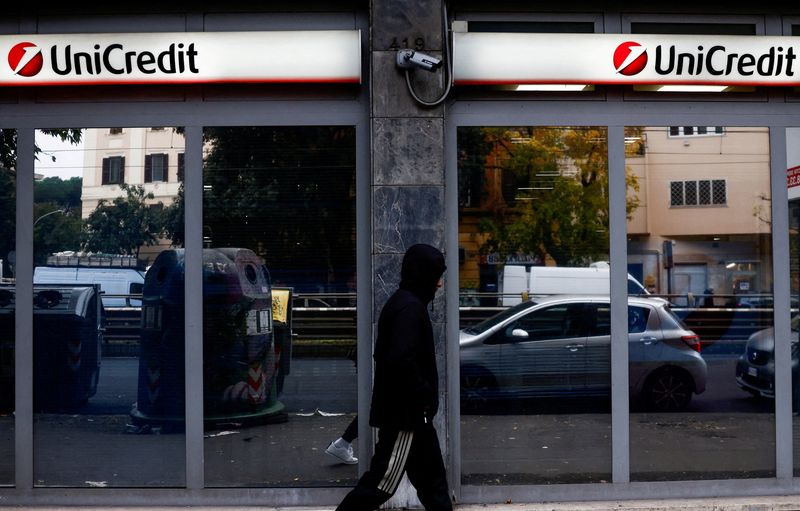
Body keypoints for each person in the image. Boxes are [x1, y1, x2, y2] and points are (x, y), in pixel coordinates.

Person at [336, 244, 452, 511]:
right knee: (382, 482)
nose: (440, 284)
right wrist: (423, 395)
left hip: (411, 416)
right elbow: (401, 360)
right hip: (406, 418)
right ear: (424, 275)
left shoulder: (406, 303)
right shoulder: (409, 308)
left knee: (433, 483)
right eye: (437, 276)